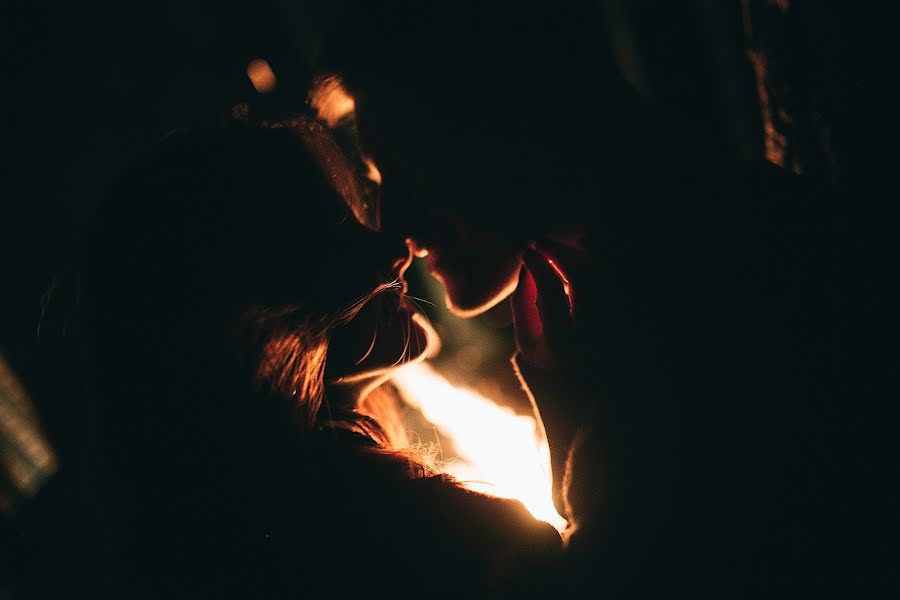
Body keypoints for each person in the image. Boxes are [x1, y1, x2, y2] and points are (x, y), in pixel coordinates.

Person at [316, 2, 848, 597]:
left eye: (412, 171)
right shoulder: (649, 297)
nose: (398, 230)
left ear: (530, 110)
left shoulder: (741, 299)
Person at [82, 119, 561, 598]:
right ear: (264, 307)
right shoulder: (406, 536)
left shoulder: (250, 537)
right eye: (340, 231)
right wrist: (570, 404)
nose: (397, 248)